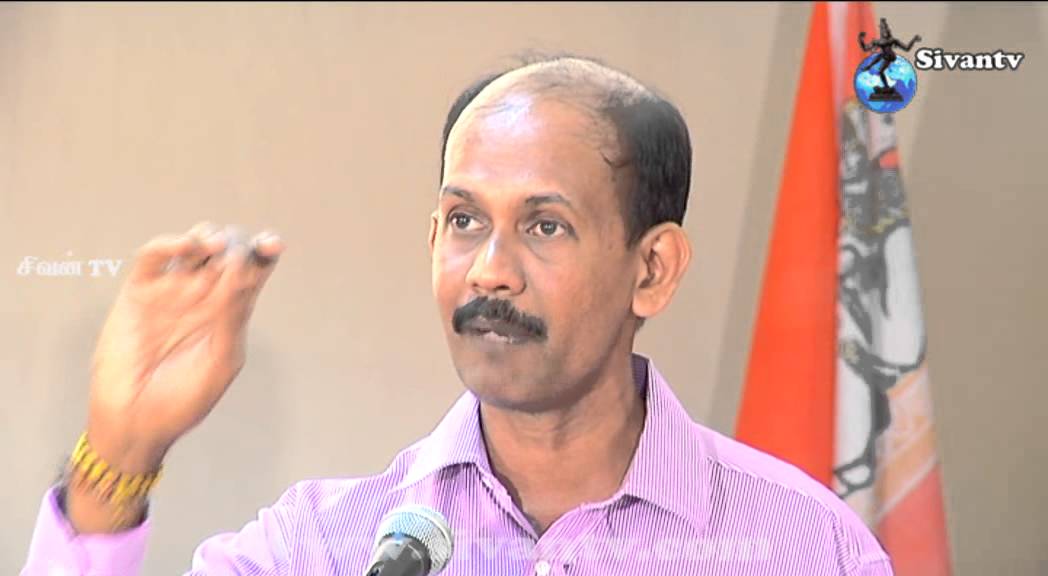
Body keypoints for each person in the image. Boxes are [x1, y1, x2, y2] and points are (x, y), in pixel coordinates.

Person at [21, 55, 893, 575]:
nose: (489, 271)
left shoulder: (805, 548)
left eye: (545, 226)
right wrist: (118, 458)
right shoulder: (328, 548)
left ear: (652, 269)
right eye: (465, 221)